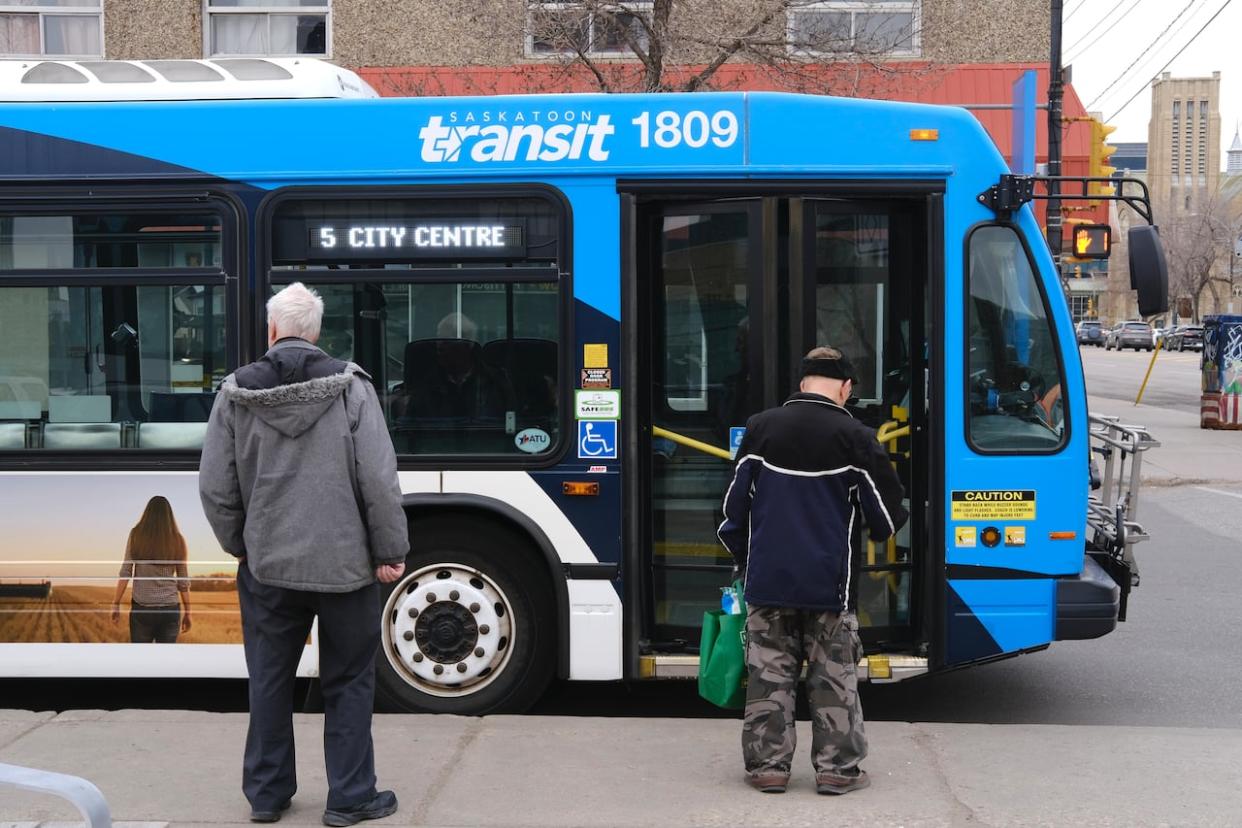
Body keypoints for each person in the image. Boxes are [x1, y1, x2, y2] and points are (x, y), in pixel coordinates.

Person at [199, 282, 409, 826]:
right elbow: (379, 481)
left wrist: (242, 545)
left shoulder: (234, 393)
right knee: (348, 679)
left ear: (273, 331)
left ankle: (267, 796)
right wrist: (390, 550)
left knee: (269, 679)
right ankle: (350, 798)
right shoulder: (351, 387)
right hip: (346, 568)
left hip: (269, 567)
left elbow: (216, 487)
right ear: (316, 334)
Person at [718, 346, 908, 796]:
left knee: (769, 676)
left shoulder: (760, 428)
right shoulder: (855, 437)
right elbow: (886, 517)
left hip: (767, 580)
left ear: (803, 383)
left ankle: (768, 767)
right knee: (832, 678)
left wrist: (748, 560)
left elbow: (730, 511)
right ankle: (837, 771)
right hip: (829, 584)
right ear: (845, 388)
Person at [111, 495, 192, 643]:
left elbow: (126, 571)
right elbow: (183, 582)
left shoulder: (136, 535)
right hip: (170, 609)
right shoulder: (177, 540)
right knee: (166, 662)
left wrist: (116, 603)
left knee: (141, 661)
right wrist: (188, 612)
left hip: (142, 609)